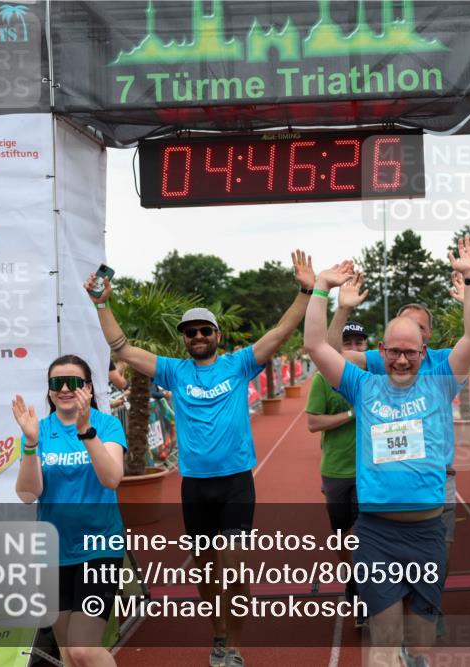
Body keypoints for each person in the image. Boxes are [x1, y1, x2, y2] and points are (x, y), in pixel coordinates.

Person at [84, 250, 315, 667]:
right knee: (206, 575)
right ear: (184, 339)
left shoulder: (239, 364)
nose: (197, 336)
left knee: (236, 574)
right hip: (195, 487)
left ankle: (236, 648)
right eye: (190, 332)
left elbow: (280, 332)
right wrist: (102, 303)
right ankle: (219, 632)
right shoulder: (173, 371)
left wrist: (304, 290)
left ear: (217, 335)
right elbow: (122, 347)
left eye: (204, 330)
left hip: (235, 484)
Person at [303, 236, 470, 667]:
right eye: (394, 352)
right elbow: (315, 345)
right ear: (380, 351)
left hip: (427, 535)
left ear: (424, 352)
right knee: (384, 647)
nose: (402, 360)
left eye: (410, 352)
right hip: (377, 536)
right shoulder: (362, 385)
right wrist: (322, 289)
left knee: (421, 647)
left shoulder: (441, 382)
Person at [12, 354, 127, 667]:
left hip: (100, 547)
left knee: (83, 650)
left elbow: (112, 478)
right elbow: (27, 493)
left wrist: (86, 431)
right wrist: (31, 443)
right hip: (53, 553)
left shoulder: (106, 425)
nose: (64, 388)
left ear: (88, 388)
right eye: (56, 383)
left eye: (74, 382)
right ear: (49, 390)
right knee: (67, 653)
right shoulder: (38, 430)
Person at [304, 320, 369, 625]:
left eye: (360, 344)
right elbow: (313, 422)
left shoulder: (374, 376)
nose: (354, 349)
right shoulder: (322, 380)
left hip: (370, 472)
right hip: (336, 472)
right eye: (348, 344)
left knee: (370, 535)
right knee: (343, 536)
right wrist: (351, 414)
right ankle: (354, 578)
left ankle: (365, 592)